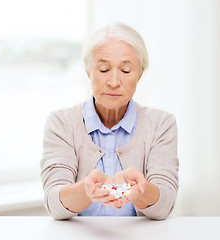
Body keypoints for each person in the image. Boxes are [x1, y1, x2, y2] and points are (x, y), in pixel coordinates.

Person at [40, 22, 178, 220]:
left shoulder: (161, 124)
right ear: (88, 72)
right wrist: (85, 190)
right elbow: (54, 205)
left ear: (139, 74)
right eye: (104, 69)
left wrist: (141, 189)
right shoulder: (61, 123)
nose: (114, 82)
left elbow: (165, 205)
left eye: (126, 70)